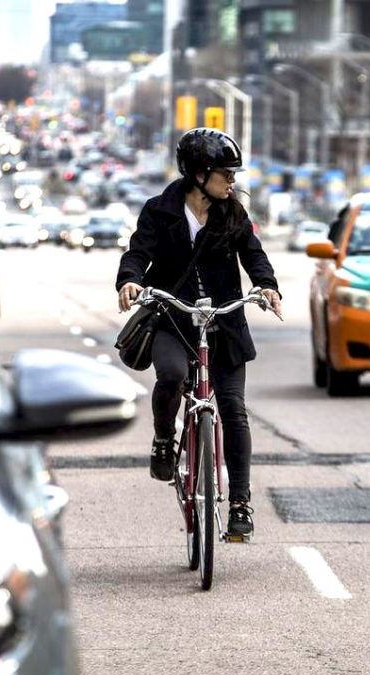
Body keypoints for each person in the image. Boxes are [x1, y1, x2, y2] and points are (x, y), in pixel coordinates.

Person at [116, 128, 282, 539]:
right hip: (174, 317)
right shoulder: (160, 210)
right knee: (171, 376)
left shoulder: (233, 214)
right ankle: (162, 439)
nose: (232, 181)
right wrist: (130, 280)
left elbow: (254, 257)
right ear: (198, 174)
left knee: (233, 409)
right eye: (225, 174)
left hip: (223, 324)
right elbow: (138, 251)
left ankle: (240, 503)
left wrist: (267, 285)